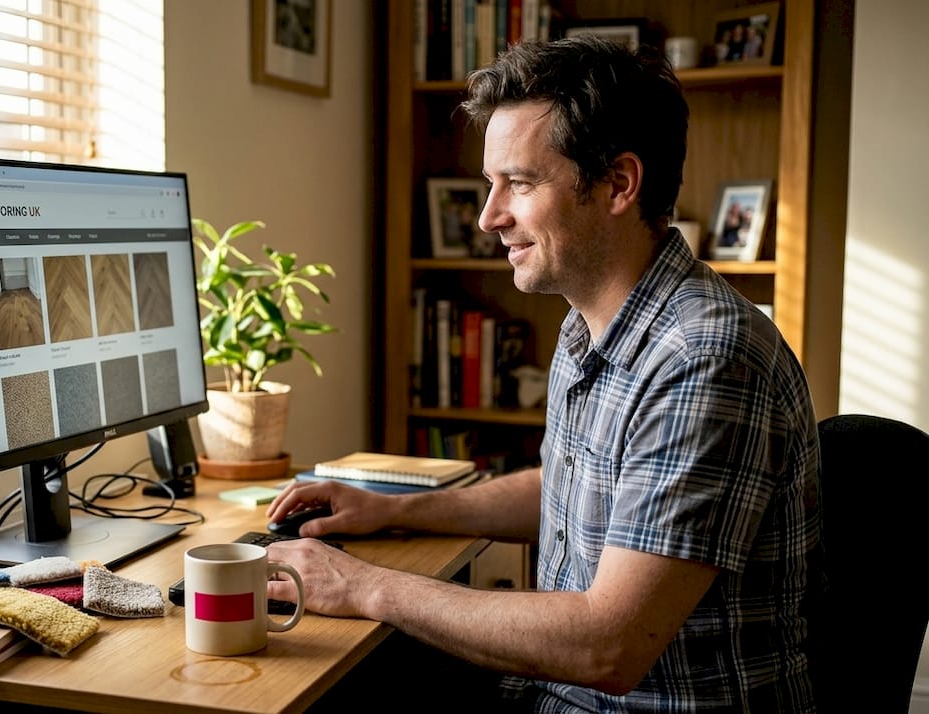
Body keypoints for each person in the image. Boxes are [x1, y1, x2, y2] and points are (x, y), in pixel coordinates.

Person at [266, 34, 821, 712]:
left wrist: (361, 585)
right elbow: (572, 489)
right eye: (490, 184)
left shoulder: (703, 358)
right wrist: (396, 512)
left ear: (618, 184)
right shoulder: (591, 320)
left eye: (520, 183)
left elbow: (607, 646)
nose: (488, 217)